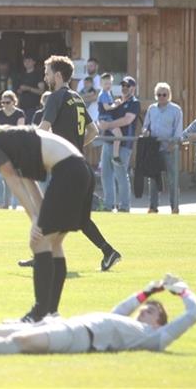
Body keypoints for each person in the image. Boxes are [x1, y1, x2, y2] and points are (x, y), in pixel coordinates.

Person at [0, 114, 94, 322]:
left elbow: (11, 178)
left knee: (38, 242)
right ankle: (50, 313)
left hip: (69, 171)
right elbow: (28, 180)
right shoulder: (6, 139)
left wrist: (36, 221)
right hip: (80, 170)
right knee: (53, 243)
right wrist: (38, 217)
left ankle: (38, 314)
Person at [0, 275, 196, 357]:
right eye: (147, 307)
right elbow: (124, 307)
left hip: (81, 337)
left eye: (152, 312)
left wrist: (182, 291)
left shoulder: (152, 339)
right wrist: (151, 290)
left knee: (23, 340)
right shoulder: (127, 319)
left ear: (159, 323)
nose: (146, 310)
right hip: (63, 323)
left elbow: (194, 314)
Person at [37, 55, 121, 272]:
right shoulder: (77, 97)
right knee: (80, 219)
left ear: (57, 75)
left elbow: (42, 131)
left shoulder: (56, 97)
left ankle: (42, 257)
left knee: (48, 212)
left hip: (66, 168)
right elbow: (93, 130)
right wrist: (75, 147)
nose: (45, 77)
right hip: (80, 167)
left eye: (47, 73)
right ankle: (109, 252)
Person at [97, 76, 141, 212]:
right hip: (108, 141)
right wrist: (102, 124)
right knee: (105, 175)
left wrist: (108, 124)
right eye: (122, 86)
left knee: (120, 174)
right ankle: (109, 205)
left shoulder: (134, 103)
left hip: (124, 144)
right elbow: (103, 115)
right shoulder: (115, 101)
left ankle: (124, 206)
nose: (124, 88)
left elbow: (127, 120)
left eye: (127, 86)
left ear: (133, 88)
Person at [142, 82, 184, 214]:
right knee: (153, 179)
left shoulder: (176, 109)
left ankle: (175, 207)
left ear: (169, 95)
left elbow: (178, 129)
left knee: (172, 179)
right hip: (154, 148)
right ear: (156, 95)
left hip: (170, 148)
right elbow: (145, 126)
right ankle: (153, 207)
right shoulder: (151, 109)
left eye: (164, 94)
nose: (161, 96)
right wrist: (145, 132)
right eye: (159, 94)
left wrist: (174, 143)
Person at [0, 90, 25, 209]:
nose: (5, 104)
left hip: (15, 151)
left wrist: (4, 130)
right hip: (0, 150)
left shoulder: (19, 114)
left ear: (14, 102)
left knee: (14, 179)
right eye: (3, 102)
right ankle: (2, 204)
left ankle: (14, 205)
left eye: (8, 102)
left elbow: (20, 130)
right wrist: (9, 130)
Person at [97, 73, 124, 164]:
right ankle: (115, 156)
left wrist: (115, 102)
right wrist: (116, 104)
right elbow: (106, 107)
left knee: (107, 139)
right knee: (119, 135)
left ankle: (107, 158)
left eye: (109, 83)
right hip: (106, 118)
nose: (108, 86)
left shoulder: (108, 93)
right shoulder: (103, 94)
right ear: (101, 84)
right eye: (105, 84)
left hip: (106, 118)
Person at [16, 54, 45, 124]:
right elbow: (17, 90)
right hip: (22, 108)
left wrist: (28, 88)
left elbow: (41, 91)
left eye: (29, 61)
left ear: (34, 62)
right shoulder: (21, 75)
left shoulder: (38, 75)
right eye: (25, 61)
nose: (26, 63)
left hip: (33, 108)